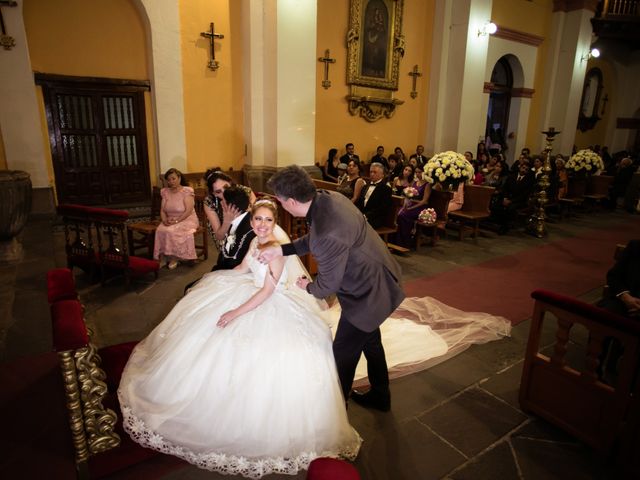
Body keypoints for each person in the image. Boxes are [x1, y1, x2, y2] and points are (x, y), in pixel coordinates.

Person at [118, 199, 362, 477]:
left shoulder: (276, 250)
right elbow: (242, 270)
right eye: (257, 219)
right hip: (249, 290)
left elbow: (267, 292)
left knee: (253, 355)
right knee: (208, 334)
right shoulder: (254, 242)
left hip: (268, 302)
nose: (262, 225)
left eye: (268, 220)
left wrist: (234, 312)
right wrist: (211, 282)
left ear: (275, 222)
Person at [258, 165, 405, 412]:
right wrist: (282, 249)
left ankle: (335, 414)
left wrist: (308, 286)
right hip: (377, 276)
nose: (281, 205)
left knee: (342, 355)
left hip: (367, 294)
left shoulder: (327, 230)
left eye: (280, 201)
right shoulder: (328, 198)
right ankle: (381, 396)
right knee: (371, 341)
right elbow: (314, 241)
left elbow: (328, 285)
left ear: (291, 202)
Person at [153, 168, 200, 270]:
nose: (171, 182)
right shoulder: (165, 192)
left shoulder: (187, 191)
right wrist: (164, 220)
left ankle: (175, 257)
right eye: (169, 180)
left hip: (187, 219)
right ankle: (165, 256)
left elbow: (188, 211)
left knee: (171, 231)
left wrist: (177, 221)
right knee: (160, 230)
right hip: (170, 219)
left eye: (173, 179)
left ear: (179, 178)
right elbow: (162, 210)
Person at [203, 168, 256, 249]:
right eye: (218, 191)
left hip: (248, 230)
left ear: (230, 183)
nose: (225, 193)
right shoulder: (209, 202)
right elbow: (219, 237)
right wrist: (227, 221)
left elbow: (256, 214)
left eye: (226, 187)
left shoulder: (244, 191)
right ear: (213, 193)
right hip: (225, 238)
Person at [394, 165, 431, 249]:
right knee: (397, 213)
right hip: (411, 204)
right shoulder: (414, 182)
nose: (418, 174)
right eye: (416, 172)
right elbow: (409, 195)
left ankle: (405, 241)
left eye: (420, 172)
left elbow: (424, 201)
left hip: (420, 207)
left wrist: (411, 208)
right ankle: (396, 241)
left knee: (403, 215)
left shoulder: (427, 184)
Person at [356, 162, 392, 229]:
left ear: (382, 175)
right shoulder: (365, 186)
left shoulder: (386, 189)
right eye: (371, 172)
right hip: (363, 216)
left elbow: (382, 208)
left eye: (375, 172)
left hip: (375, 218)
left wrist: (366, 216)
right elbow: (360, 202)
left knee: (358, 225)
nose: (372, 174)